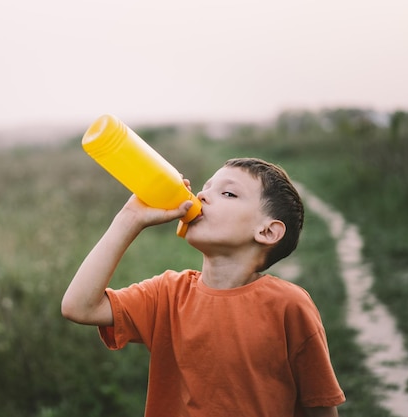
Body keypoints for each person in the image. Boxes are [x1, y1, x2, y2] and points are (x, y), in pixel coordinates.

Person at [61, 157, 345, 417]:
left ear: (267, 231)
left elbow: (319, 407)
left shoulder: (289, 305)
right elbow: (79, 306)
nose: (201, 195)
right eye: (205, 188)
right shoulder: (168, 294)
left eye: (228, 193)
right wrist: (129, 219)